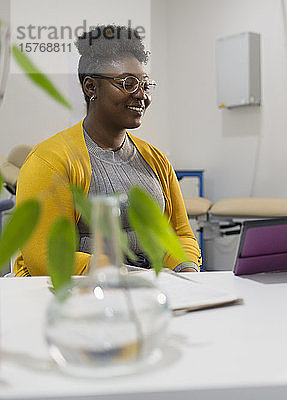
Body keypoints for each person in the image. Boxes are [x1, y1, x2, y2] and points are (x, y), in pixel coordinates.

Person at [13, 25, 200, 277]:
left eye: (145, 84)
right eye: (128, 83)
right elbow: (46, 257)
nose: (142, 95)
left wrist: (187, 273)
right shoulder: (49, 161)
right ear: (91, 87)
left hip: (144, 291)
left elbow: (180, 234)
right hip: (66, 294)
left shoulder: (156, 160)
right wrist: (125, 278)